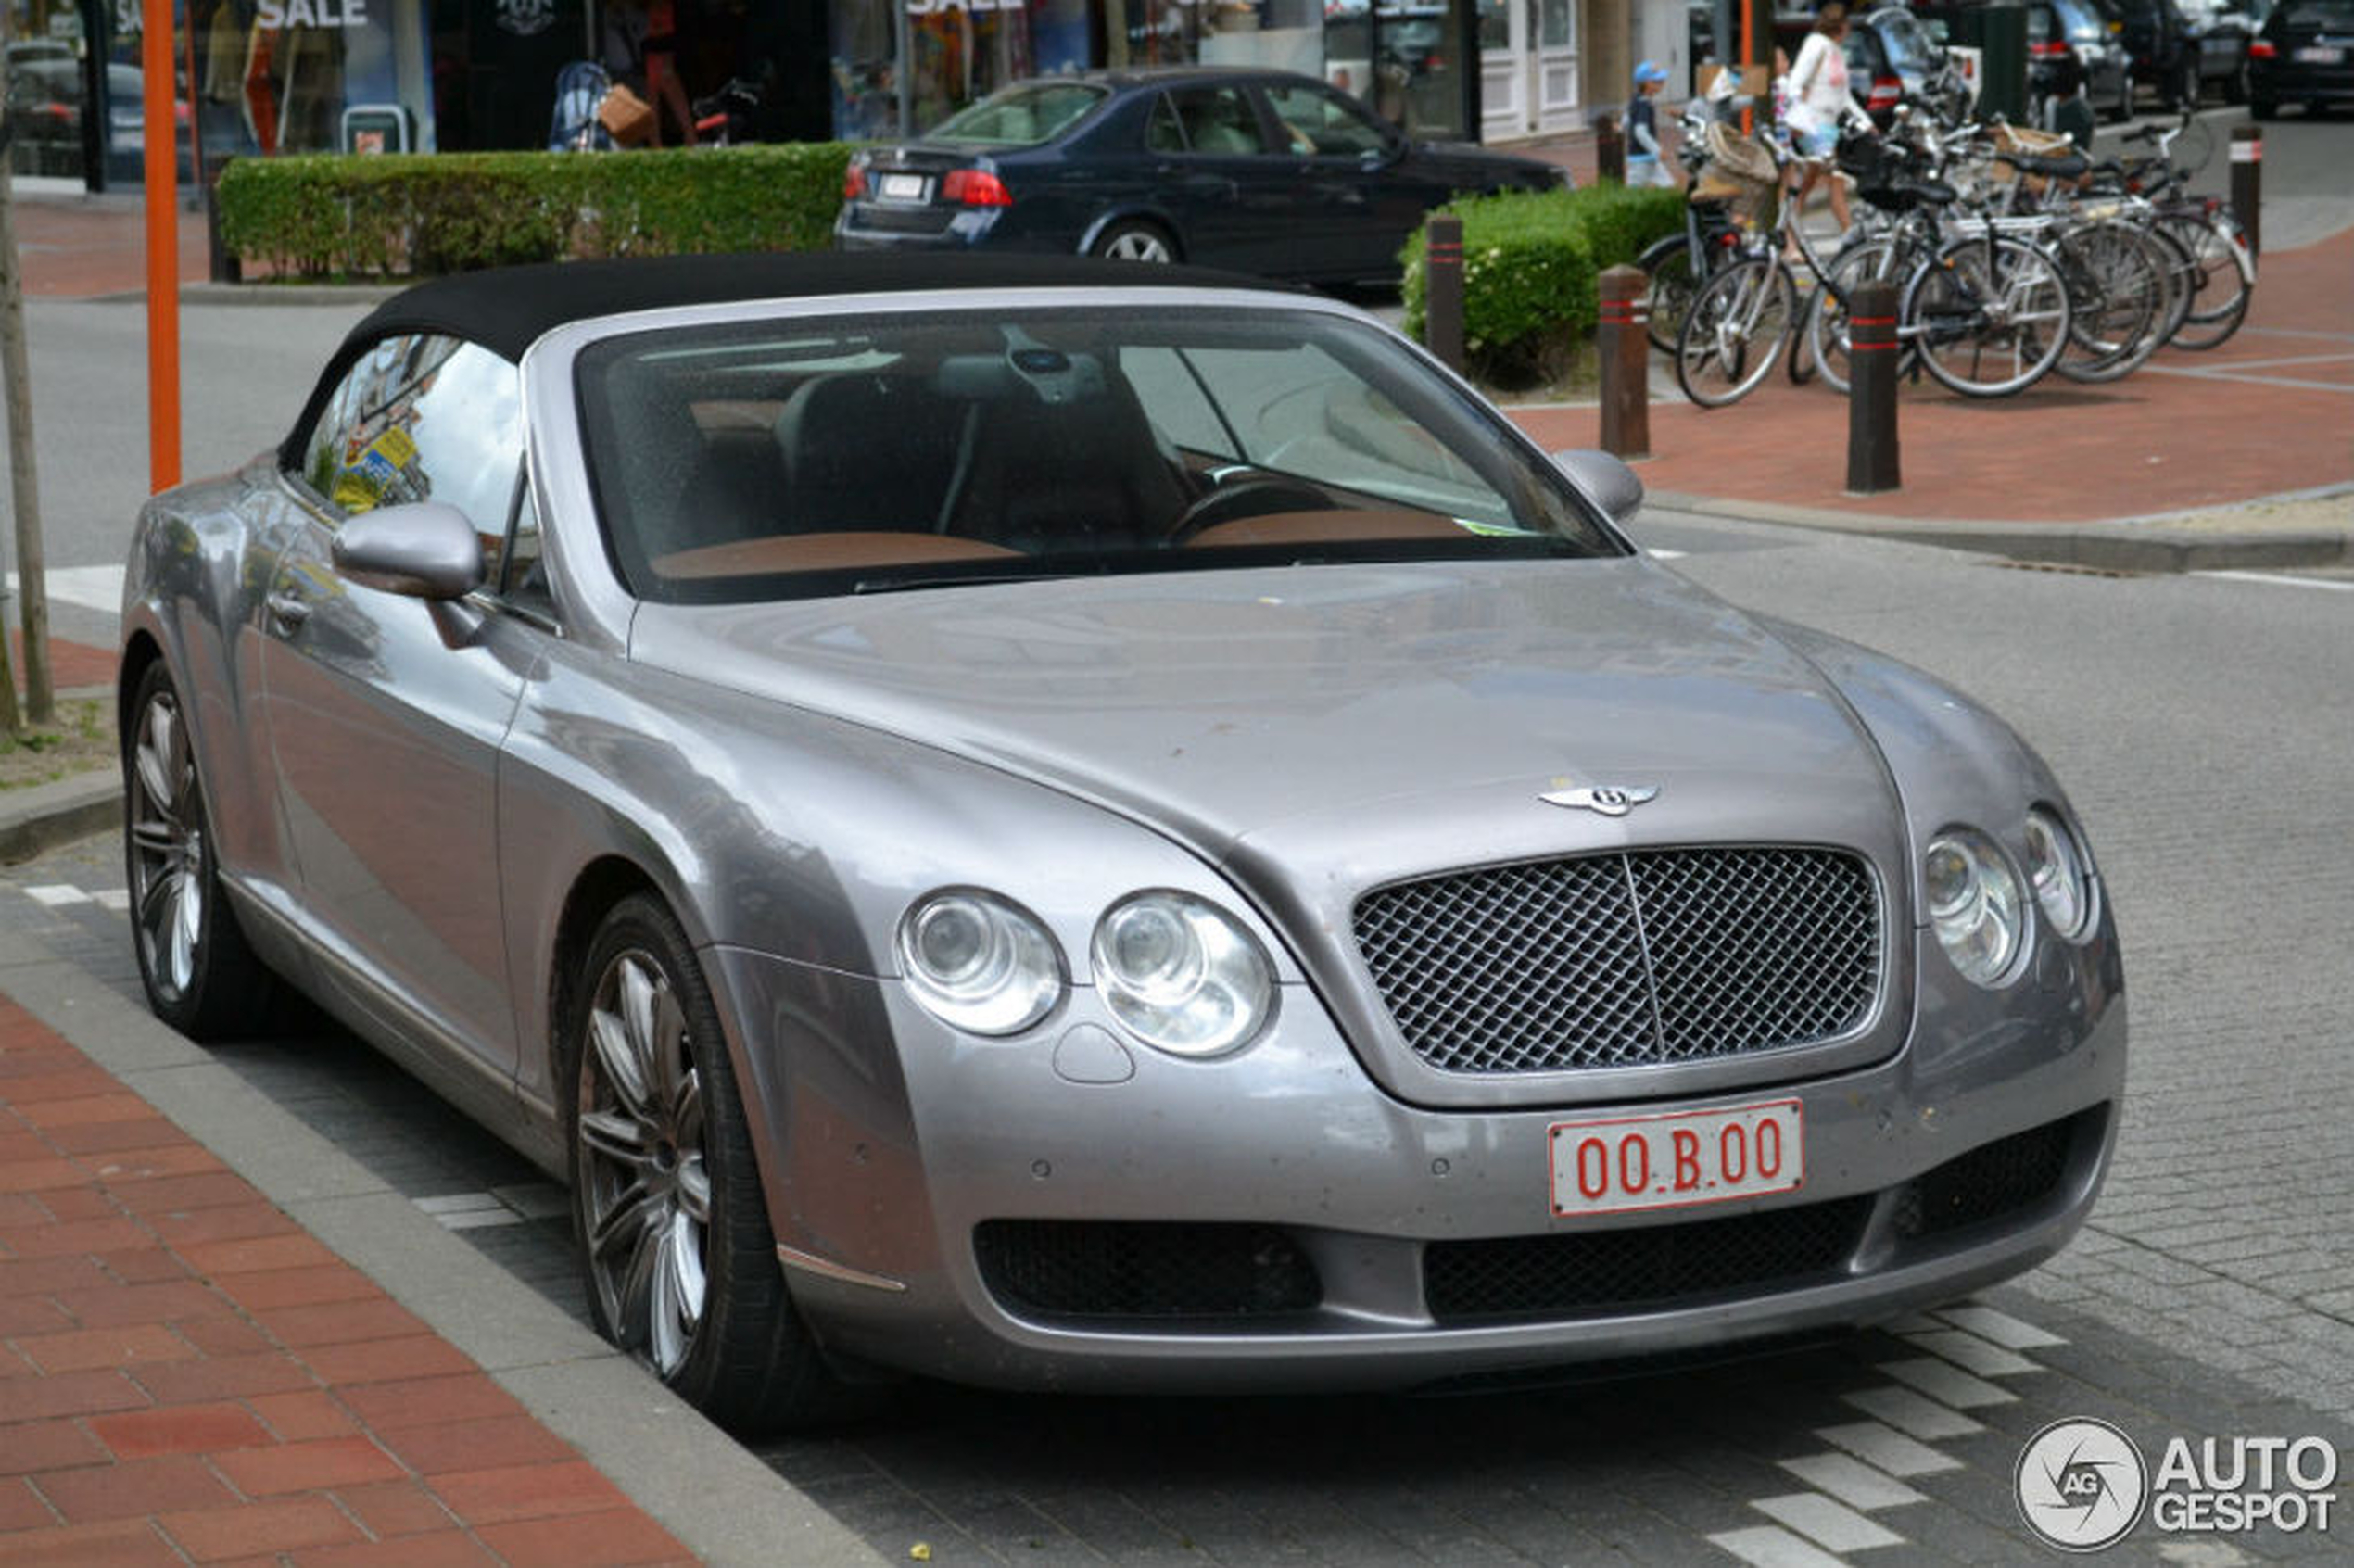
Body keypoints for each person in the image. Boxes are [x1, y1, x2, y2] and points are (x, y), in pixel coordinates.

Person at [1781, 0, 1867, 247]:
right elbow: (1795, 82)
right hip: (1814, 126)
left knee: (1830, 182)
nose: (1850, 28)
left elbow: (1844, 95)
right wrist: (1801, 107)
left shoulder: (1835, 51)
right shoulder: (1816, 45)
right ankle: (1790, 241)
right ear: (1840, 25)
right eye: (1847, 24)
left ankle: (1851, 238)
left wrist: (1865, 122)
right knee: (1817, 182)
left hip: (1828, 127)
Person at [1625, 60, 1676, 187]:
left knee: (1668, 186)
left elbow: (1626, 119)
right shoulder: (1644, 105)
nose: (1662, 84)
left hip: (1647, 157)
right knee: (1635, 192)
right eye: (1658, 82)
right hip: (1641, 158)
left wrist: (1622, 128)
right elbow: (1640, 132)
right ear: (1646, 84)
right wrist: (1657, 150)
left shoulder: (1636, 99)